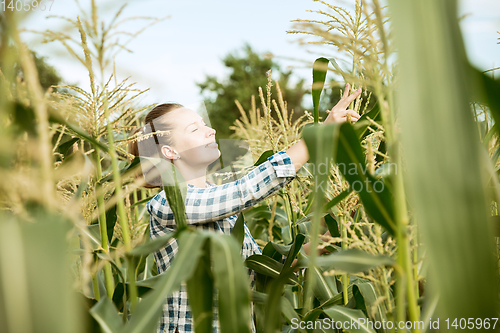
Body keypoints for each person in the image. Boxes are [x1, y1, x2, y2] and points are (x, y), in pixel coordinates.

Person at [129, 84, 362, 333]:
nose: (211, 130)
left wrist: (327, 240)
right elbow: (245, 190)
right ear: (170, 151)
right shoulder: (168, 203)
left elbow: (260, 268)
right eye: (195, 129)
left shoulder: (221, 208)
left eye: (204, 123)